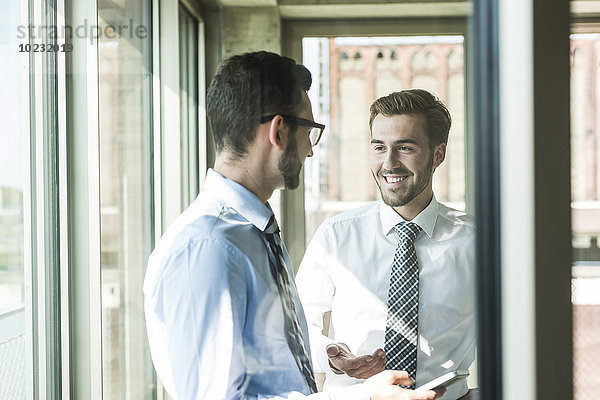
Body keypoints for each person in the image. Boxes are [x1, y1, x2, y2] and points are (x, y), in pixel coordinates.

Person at [143, 52, 440, 400]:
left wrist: (334, 360)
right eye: (309, 132)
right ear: (279, 131)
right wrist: (362, 397)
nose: (310, 152)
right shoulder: (210, 246)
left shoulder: (252, 233)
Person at [296, 89, 476, 400]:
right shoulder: (335, 236)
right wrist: (332, 354)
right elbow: (295, 330)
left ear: (438, 155)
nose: (389, 163)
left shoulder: (477, 243)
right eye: (379, 147)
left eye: (404, 148)